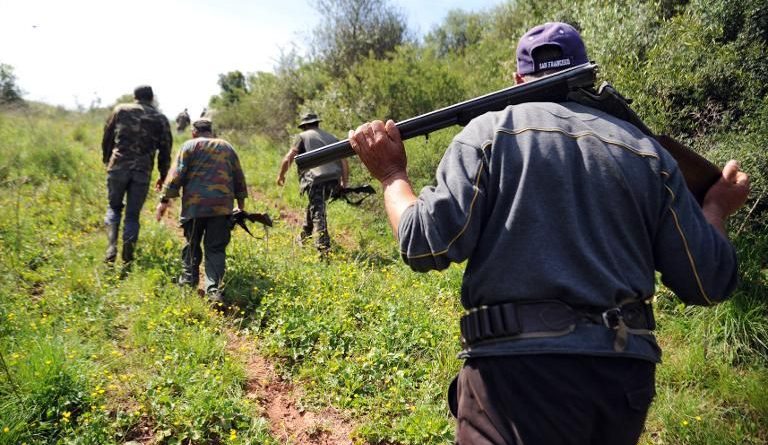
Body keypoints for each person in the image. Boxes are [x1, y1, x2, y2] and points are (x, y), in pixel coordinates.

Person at [348, 22, 750, 445]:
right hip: (622, 384)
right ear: (585, 73)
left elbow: (423, 242)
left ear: (518, 80)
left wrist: (392, 174)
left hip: (515, 381)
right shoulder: (649, 153)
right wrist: (717, 208)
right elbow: (709, 282)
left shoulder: (488, 134)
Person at [155, 118, 248, 302]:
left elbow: (176, 176)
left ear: (193, 132)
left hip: (194, 208)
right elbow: (238, 176)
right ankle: (213, 291)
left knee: (192, 245)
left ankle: (188, 285)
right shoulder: (226, 146)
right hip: (221, 208)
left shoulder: (189, 146)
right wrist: (241, 205)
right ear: (211, 132)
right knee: (215, 249)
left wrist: (164, 201)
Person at [101, 84, 172, 265]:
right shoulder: (161, 118)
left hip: (118, 167)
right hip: (142, 171)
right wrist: (164, 175)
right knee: (132, 215)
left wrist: (107, 160)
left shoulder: (121, 110)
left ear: (135, 96)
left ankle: (111, 248)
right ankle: (128, 257)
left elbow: (107, 137)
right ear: (151, 98)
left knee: (114, 208)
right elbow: (165, 150)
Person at [276, 112, 349, 254]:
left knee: (318, 214)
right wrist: (344, 183)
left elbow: (289, 157)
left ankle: (323, 250)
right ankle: (304, 236)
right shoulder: (332, 137)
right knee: (316, 206)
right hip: (333, 180)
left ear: (304, 126)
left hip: (316, 181)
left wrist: (281, 175)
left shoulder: (302, 137)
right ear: (317, 123)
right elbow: (344, 161)